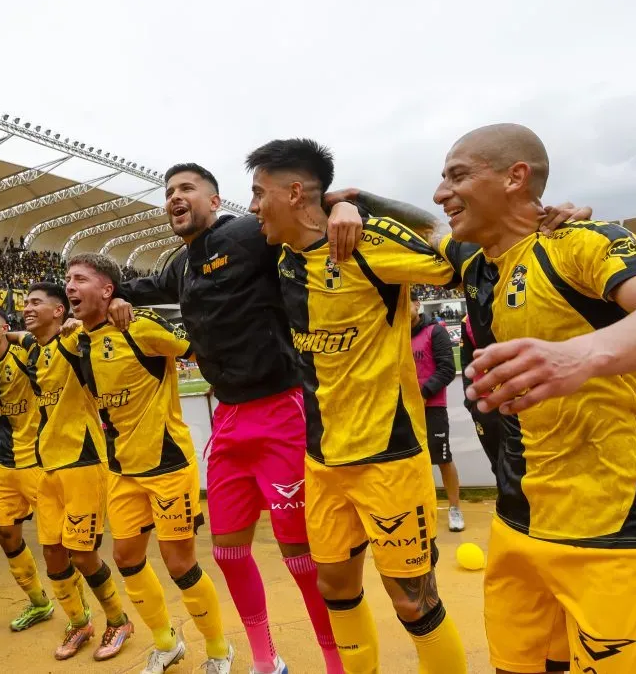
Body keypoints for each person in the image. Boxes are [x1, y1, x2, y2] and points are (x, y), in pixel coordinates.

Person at [434, 123, 636, 673]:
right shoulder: (471, 261)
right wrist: (349, 201)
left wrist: (581, 355)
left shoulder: (581, 242)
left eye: (457, 176)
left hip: (612, 534)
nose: (441, 192)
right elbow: (421, 225)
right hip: (516, 525)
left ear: (515, 177)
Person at [114, 163, 355, 674]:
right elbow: (147, 285)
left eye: (186, 188)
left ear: (215, 200)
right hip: (229, 420)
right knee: (227, 552)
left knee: (300, 556)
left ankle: (336, 664)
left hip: (282, 411)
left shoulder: (248, 234)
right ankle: (267, 662)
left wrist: (347, 206)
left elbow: (309, 214)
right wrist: (113, 295)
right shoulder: (181, 265)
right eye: (169, 191)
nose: (174, 197)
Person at [245, 138, 466, 672]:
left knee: (414, 601)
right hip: (322, 463)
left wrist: (362, 200)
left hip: (388, 459)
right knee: (336, 589)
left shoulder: (369, 243)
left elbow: (453, 248)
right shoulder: (282, 258)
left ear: (294, 192)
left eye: (258, 193)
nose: (252, 207)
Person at [64, 253, 232, 674]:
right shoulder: (77, 338)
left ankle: (218, 650)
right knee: (126, 559)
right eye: (67, 279)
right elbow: (36, 330)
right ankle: (166, 644)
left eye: (80, 279)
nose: (69, 286)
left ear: (107, 290)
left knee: (180, 564)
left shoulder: (139, 326)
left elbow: (197, 343)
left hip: (167, 466)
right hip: (122, 471)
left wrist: (135, 308)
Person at [0, 282, 133, 662]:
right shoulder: (32, 346)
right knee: (54, 554)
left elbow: (102, 322)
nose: (27, 308)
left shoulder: (73, 340)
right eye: (25, 302)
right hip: (48, 466)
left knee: (83, 555)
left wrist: (112, 303)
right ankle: (79, 623)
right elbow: (13, 334)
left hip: (83, 462)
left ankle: (119, 620)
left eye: (36, 303)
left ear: (59, 311)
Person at [0, 303, 54, 632]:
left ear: (4, 327)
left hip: (40, 460)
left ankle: (81, 611)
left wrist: (4, 337)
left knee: (58, 542)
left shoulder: (24, 352)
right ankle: (39, 602)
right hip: (7, 463)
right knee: (6, 535)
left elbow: (38, 338)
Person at [409, 293, 464, 531]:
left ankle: (455, 508)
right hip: (405, 411)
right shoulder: (395, 336)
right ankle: (418, 509)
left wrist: (423, 393)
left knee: (442, 458)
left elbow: (447, 369)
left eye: (407, 303)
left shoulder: (435, 331)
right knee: (409, 463)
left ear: (417, 304)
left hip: (432, 408)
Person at [458, 315, 502, 474]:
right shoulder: (467, 321)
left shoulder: (511, 308)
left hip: (515, 398)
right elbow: (466, 363)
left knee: (520, 459)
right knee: (497, 462)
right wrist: (470, 400)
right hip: (484, 402)